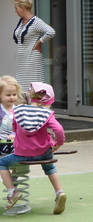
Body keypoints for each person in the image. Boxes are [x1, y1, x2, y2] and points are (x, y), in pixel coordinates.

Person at [0, 82, 67, 214]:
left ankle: (12, 192)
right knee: (50, 167)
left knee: (2, 163)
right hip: (44, 152)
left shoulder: (18, 111)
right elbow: (58, 129)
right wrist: (59, 143)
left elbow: (14, 127)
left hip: (22, 153)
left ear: (31, 96)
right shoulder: (47, 113)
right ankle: (59, 192)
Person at [13, 0, 55, 94]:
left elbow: (51, 32)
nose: (15, 11)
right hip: (22, 61)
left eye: (16, 8)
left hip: (32, 59)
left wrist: (39, 42)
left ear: (22, 8)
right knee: (21, 88)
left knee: (32, 88)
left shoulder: (36, 22)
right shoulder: (22, 22)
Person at [0, 76, 21, 155]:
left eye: (14, 94)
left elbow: (21, 127)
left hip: (16, 141)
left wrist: (14, 134)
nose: (12, 97)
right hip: (2, 142)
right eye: (8, 95)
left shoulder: (18, 110)